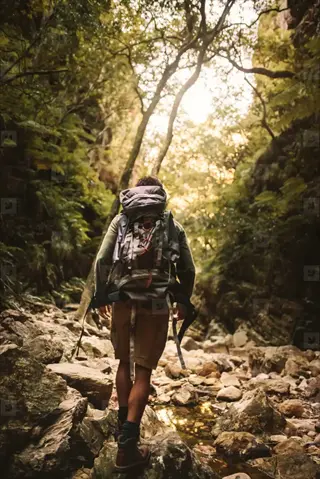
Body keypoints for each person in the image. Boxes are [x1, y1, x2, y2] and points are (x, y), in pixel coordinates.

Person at [94, 176, 195, 472]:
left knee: (124, 364)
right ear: (160, 195)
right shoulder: (171, 225)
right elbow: (187, 268)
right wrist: (183, 301)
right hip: (156, 303)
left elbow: (102, 260)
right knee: (144, 372)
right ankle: (127, 448)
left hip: (123, 300)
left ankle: (122, 429)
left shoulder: (121, 220)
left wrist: (101, 296)